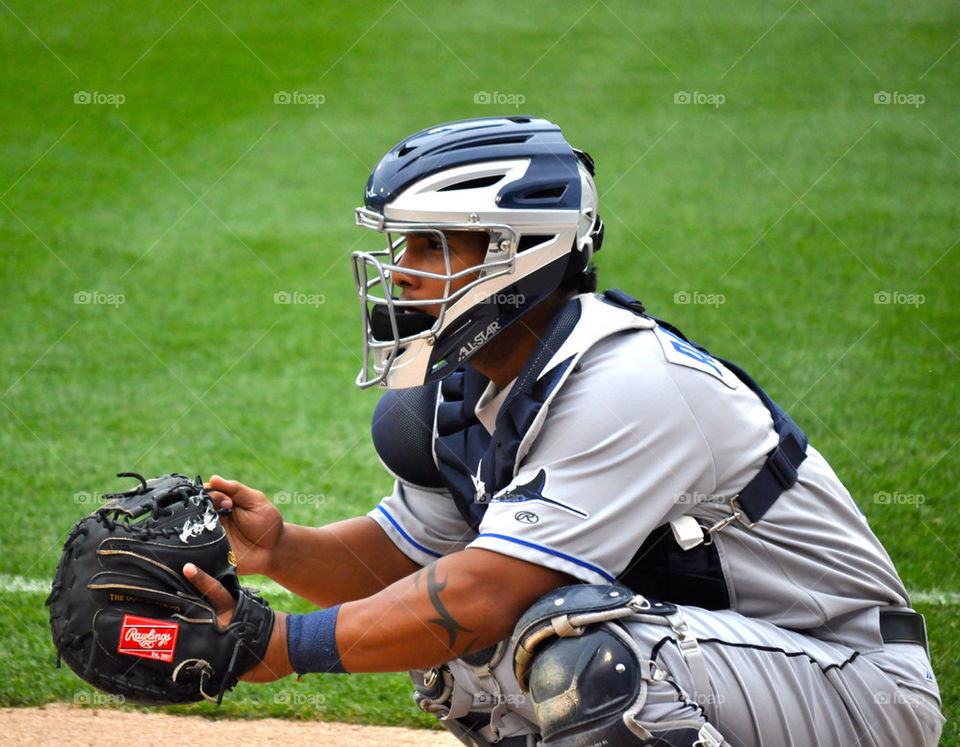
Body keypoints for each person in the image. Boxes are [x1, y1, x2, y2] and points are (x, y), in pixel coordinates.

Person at [185, 116, 944, 746]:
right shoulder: (472, 392)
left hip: (854, 688)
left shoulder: (625, 381)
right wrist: (282, 551)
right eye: (404, 244)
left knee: (576, 651)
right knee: (469, 654)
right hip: (737, 666)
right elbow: (407, 569)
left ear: (519, 250)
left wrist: (285, 647)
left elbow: (481, 593)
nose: (404, 271)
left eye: (432, 245)